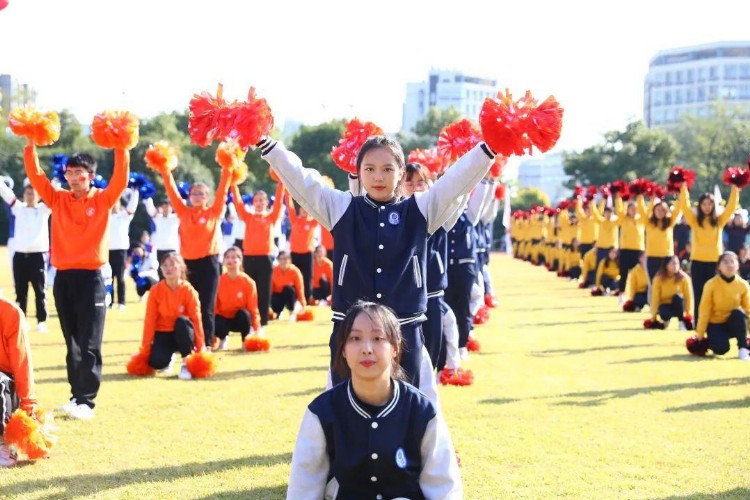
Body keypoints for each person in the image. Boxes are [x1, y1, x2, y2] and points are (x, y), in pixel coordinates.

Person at [258, 131, 494, 390]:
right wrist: (267, 144)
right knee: (346, 412)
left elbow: (455, 181)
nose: (378, 177)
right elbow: (302, 180)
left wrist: (489, 148)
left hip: (405, 331)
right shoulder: (341, 207)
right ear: (358, 172)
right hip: (350, 331)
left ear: (401, 173)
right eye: (369, 169)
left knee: (408, 410)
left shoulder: (420, 208)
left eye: (387, 169)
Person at [287, 301, 461, 499]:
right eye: (355, 338)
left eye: (378, 338)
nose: (367, 348)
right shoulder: (322, 412)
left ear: (395, 348)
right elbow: (304, 486)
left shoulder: (422, 411)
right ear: (343, 349)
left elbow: (444, 487)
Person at [25, 142, 130, 420]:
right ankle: (75, 396)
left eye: (79, 173)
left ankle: (87, 401)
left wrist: (121, 147)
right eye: (69, 172)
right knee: (70, 341)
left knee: (90, 342)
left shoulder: (102, 200)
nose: (73, 178)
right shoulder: (58, 198)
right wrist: (30, 145)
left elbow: (121, 179)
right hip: (64, 278)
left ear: (90, 176)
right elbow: (37, 176)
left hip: (92, 278)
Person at [159, 167, 232, 350]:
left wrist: (227, 168)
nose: (197, 196)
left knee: (207, 305)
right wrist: (164, 170)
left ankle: (206, 345)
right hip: (188, 265)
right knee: (190, 304)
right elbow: (171, 190)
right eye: (194, 193)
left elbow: (223, 190)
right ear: (189, 196)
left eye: (201, 194)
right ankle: (191, 341)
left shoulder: (214, 212)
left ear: (207, 197)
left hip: (209, 263)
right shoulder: (183, 212)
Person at [678, 183, 740, 323]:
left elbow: (730, 208)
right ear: (699, 205)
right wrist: (683, 187)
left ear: (714, 206)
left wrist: (735, 189)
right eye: (704, 204)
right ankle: (698, 322)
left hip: (715, 263)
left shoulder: (719, 221)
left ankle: (713, 321)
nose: (707, 207)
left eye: (710, 204)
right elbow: (685, 206)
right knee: (698, 294)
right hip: (698, 262)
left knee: (714, 294)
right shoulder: (694, 221)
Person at [140, 252, 205, 378]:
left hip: (183, 332)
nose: (168, 269)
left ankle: (187, 362)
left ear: (181, 267)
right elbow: (150, 320)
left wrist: (201, 346)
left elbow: (196, 319)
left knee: (182, 322)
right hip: (163, 332)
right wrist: (145, 348)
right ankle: (168, 358)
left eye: (172, 265)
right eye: (165, 265)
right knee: (156, 362)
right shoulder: (155, 291)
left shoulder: (189, 290)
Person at [230, 183, 285, 327]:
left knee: (264, 290)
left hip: (265, 258)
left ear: (267, 203)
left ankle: (263, 320)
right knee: (249, 290)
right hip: (248, 258)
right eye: (257, 200)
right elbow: (238, 202)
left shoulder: (272, 216)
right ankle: (250, 319)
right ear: (253, 203)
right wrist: (233, 183)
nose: (260, 203)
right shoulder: (247, 216)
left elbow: (279, 200)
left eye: (262, 200)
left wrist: (281, 182)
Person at [0, 181, 51, 332]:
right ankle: (21, 320)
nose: (30, 197)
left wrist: (55, 180)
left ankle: (41, 321)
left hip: (38, 256)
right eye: (27, 194)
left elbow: (53, 193)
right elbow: (5, 192)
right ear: (24, 195)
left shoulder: (44, 210)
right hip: (20, 256)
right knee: (21, 291)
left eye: (33, 194)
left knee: (40, 291)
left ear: (39, 196)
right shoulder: (18, 208)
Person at [0, 298, 38, 467]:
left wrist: (28, 404)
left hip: (5, 379)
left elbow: (22, 361)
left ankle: (4, 443)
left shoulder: (9, 311)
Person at [694, 251, 750, 360]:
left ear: (737, 265)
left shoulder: (743, 285)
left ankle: (743, 349)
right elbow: (704, 310)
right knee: (721, 349)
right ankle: (714, 342)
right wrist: (699, 334)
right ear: (719, 267)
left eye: (732, 261)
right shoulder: (711, 284)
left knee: (738, 313)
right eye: (725, 262)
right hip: (716, 324)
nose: (729, 265)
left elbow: (748, 310)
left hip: (734, 322)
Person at [214, 246, 261, 350]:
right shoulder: (218, 281)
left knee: (244, 314)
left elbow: (253, 308)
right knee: (214, 319)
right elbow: (214, 307)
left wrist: (257, 329)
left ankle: (245, 341)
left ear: (240, 261)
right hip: (224, 318)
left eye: (234, 257)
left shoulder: (248, 282)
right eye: (227, 257)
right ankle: (222, 339)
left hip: (239, 319)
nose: (230, 260)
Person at [638, 194, 682, 280]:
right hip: (652, 257)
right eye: (657, 210)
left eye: (662, 210)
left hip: (667, 257)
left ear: (666, 212)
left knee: (667, 282)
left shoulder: (670, 222)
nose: (660, 212)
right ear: (653, 211)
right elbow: (641, 209)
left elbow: (678, 209)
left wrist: (681, 193)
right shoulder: (648, 223)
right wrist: (642, 195)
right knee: (653, 283)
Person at [108, 187, 139, 309]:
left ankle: (121, 302)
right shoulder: (106, 216)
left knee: (120, 277)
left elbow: (132, 207)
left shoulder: (124, 216)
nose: (114, 205)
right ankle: (109, 301)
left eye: (116, 202)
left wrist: (135, 192)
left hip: (121, 250)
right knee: (108, 277)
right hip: (108, 250)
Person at [286, 193, 319, 302]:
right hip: (295, 253)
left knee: (307, 277)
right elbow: (289, 205)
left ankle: (307, 297)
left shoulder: (312, 222)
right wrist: (287, 191)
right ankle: (295, 298)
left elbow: (318, 210)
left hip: (307, 254)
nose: (304, 210)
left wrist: (317, 196)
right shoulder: (294, 219)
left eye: (307, 208)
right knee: (295, 276)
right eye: (303, 208)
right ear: (299, 209)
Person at [648, 255, 693, 329]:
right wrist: (653, 317)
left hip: (679, 305)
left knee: (677, 298)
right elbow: (655, 298)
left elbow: (689, 297)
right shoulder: (658, 279)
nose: (676, 266)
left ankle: (681, 322)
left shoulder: (684, 278)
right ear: (666, 265)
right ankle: (666, 322)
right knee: (664, 311)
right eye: (673, 263)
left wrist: (689, 315)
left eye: (677, 263)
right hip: (665, 305)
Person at [615, 194, 645, 301]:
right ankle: (622, 294)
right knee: (623, 274)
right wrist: (619, 197)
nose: (633, 211)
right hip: (625, 251)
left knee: (637, 275)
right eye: (631, 208)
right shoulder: (623, 219)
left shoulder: (641, 220)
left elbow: (645, 209)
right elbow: (619, 209)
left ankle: (634, 296)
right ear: (627, 209)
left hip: (638, 251)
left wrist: (640, 195)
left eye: (635, 209)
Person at [143, 198, 180, 278]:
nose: (166, 208)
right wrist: (148, 197)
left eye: (168, 206)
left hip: (172, 249)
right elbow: (150, 210)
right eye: (164, 206)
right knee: (161, 271)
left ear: (171, 208)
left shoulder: (175, 218)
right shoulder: (158, 218)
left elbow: (181, 210)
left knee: (173, 270)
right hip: (160, 249)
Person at [270, 251, 307, 321]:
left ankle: (292, 311)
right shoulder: (274, 271)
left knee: (288, 289)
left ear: (289, 260)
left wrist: (303, 305)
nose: (283, 261)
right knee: (274, 299)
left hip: (291, 296)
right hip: (278, 295)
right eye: (281, 259)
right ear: (278, 260)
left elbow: (300, 289)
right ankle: (277, 312)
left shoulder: (295, 271)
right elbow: (270, 290)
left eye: (285, 259)